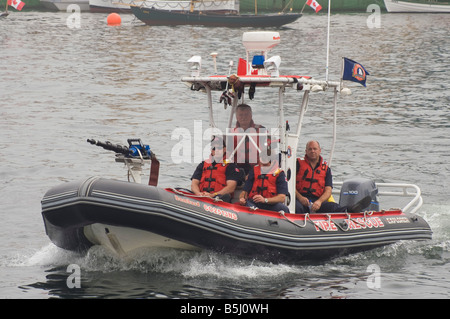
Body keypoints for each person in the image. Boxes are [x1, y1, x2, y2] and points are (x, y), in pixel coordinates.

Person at [295, 140, 371, 214]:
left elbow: (328, 190)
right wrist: (300, 198)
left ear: (319, 150)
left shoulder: (326, 169)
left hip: (318, 201)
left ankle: (352, 209)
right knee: (297, 208)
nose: (312, 151)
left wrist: (319, 202)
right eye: (310, 149)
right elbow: (290, 185)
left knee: (334, 207)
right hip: (300, 199)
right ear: (306, 151)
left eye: (315, 149)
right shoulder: (297, 164)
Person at [239, 140, 289, 213]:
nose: (262, 166)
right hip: (254, 202)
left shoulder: (280, 174)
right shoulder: (254, 171)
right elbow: (244, 192)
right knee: (249, 208)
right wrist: (241, 199)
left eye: (265, 164)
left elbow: (282, 198)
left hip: (271, 204)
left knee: (284, 209)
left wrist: (265, 200)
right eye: (261, 163)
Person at [191, 136, 242, 203]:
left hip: (218, 198)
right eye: (214, 148)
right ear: (211, 150)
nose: (217, 150)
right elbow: (194, 183)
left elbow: (231, 187)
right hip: (201, 197)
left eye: (219, 148)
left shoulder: (230, 166)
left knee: (226, 196)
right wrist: (198, 194)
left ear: (224, 149)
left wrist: (213, 195)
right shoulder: (203, 164)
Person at [230, 103, 266, 176]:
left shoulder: (261, 130)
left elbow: (268, 151)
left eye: (246, 115)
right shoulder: (231, 133)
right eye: (241, 115)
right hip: (238, 167)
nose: (244, 117)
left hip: (257, 166)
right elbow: (228, 154)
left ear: (251, 116)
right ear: (236, 117)